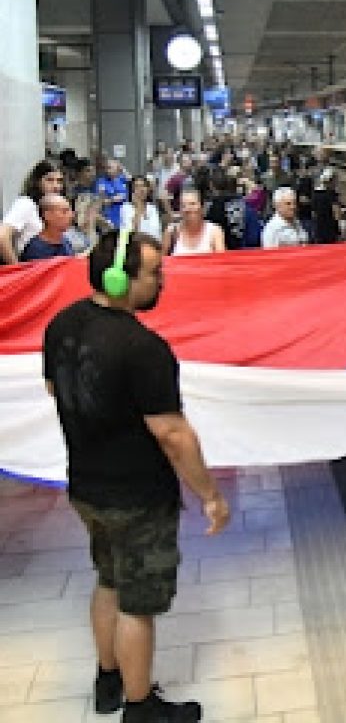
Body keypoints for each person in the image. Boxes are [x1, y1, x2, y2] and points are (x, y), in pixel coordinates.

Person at [43, 230, 230, 722]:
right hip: (138, 498)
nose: (163, 281)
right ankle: (140, 707)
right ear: (118, 278)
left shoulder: (60, 326)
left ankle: (109, 680)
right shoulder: (142, 348)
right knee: (137, 603)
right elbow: (172, 433)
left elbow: (53, 388)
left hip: (85, 487)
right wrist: (210, 494)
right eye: (155, 274)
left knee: (107, 579)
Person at [0, 159, 65, 264]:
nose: (56, 186)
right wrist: (18, 271)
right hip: (32, 270)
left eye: (59, 181)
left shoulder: (55, 208)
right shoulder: (26, 204)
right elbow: (2, 236)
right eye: (49, 180)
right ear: (37, 182)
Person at [164, 189, 227, 256]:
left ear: (202, 207)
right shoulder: (171, 232)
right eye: (183, 205)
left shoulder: (215, 231)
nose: (187, 208)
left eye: (193, 204)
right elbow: (163, 262)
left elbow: (221, 261)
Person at [20, 194, 75, 260]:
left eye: (70, 211)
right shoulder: (35, 250)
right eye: (64, 212)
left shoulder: (66, 242)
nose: (71, 215)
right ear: (47, 215)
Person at [124, 176, 163, 242]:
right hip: (135, 248)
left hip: (153, 246)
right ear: (132, 191)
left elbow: (157, 233)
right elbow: (132, 234)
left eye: (143, 186)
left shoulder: (152, 208)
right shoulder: (126, 208)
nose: (141, 189)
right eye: (137, 187)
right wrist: (138, 206)